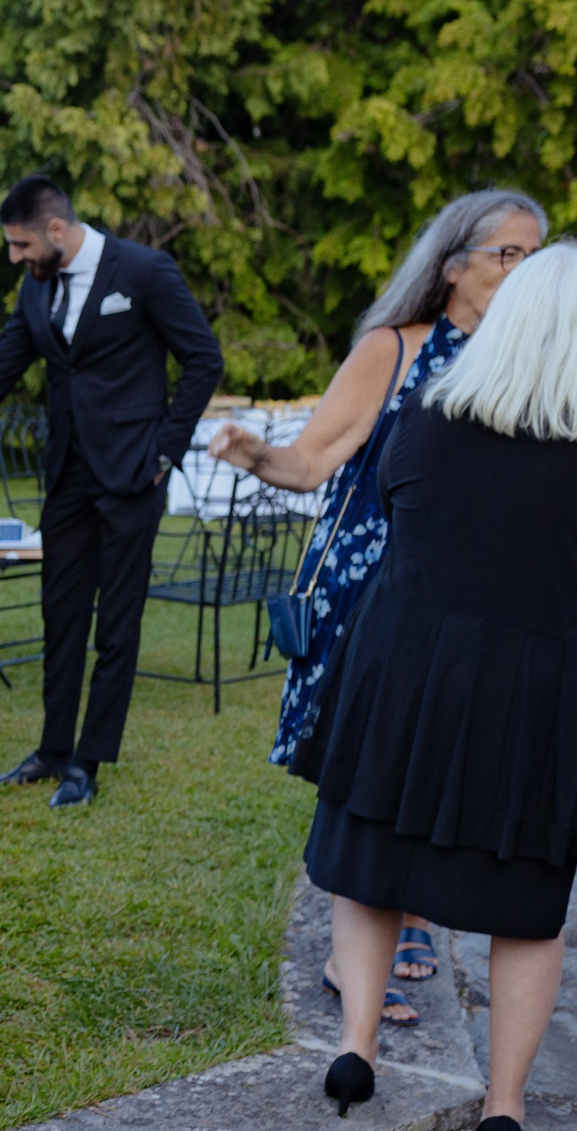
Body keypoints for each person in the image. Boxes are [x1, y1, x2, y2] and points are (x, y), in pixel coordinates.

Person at [292, 244, 577, 1131]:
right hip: (530, 702)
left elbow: (398, 506)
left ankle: (357, 1047)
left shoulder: (425, 421)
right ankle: (503, 1109)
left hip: (403, 678)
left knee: (372, 868)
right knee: (527, 911)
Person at [208, 190, 543, 1015]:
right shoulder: (391, 349)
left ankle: (413, 914)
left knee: (434, 763)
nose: (525, 271)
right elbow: (309, 464)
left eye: (536, 256)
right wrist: (258, 456)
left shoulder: (527, 367)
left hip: (471, 605)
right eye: (509, 254)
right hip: (374, 595)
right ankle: (353, 956)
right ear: (453, 262)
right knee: (371, 775)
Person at [0, 176, 223, 808]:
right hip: (68, 476)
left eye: (19, 245)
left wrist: (165, 451)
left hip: (132, 475)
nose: (14, 258)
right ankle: (51, 751)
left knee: (117, 625)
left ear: (55, 230)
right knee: (61, 614)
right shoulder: (37, 287)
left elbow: (204, 359)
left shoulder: (146, 271)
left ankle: (89, 763)